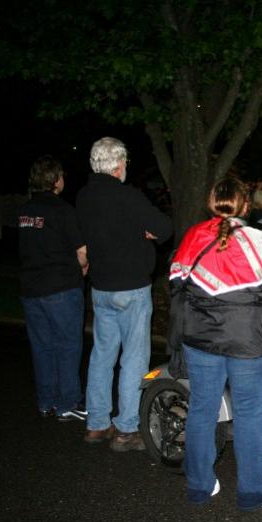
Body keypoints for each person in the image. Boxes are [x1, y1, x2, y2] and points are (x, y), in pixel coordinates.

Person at [169, 178, 262, 508]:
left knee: (202, 409)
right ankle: (252, 492)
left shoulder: (192, 236)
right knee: (249, 412)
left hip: (200, 337)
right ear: (245, 206)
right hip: (247, 337)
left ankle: (199, 486)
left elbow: (178, 281)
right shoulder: (259, 239)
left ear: (211, 203)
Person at [76, 137, 173, 451]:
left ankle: (97, 424)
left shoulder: (84, 196)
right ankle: (126, 429)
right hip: (131, 288)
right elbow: (164, 227)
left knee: (102, 356)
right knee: (133, 358)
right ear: (118, 165)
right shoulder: (127, 196)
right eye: (125, 163)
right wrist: (144, 233)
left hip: (101, 287)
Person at [18, 156, 89, 421]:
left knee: (42, 347)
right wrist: (82, 267)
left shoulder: (24, 211)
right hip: (60, 288)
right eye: (61, 175)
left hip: (31, 289)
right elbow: (81, 250)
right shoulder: (62, 210)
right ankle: (68, 402)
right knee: (68, 345)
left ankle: (46, 400)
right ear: (55, 180)